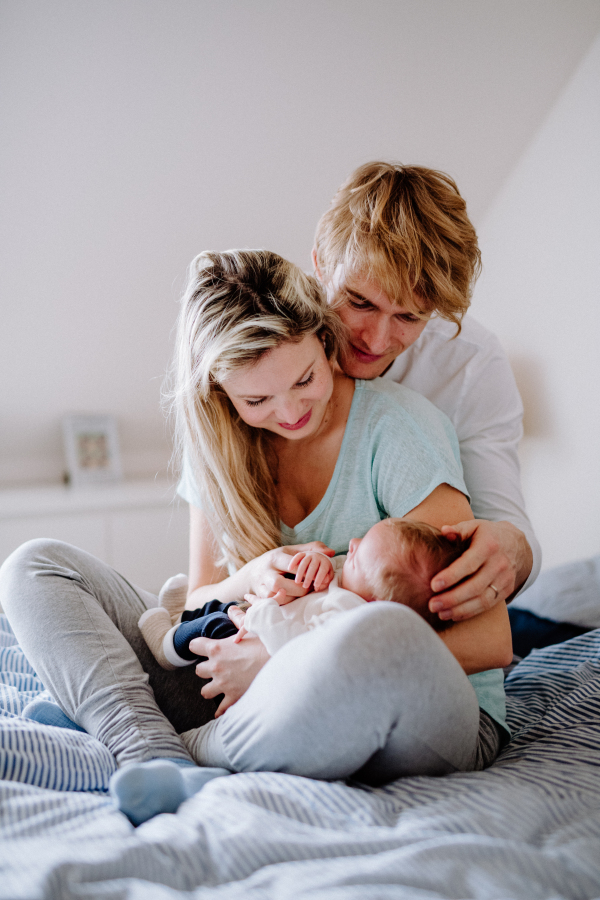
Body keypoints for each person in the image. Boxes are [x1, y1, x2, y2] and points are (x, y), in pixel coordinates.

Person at [0, 249, 512, 826]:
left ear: (324, 341)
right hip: (245, 683)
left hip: (412, 701)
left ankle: (172, 744)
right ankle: (149, 745)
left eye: (305, 379)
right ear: (221, 394)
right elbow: (199, 603)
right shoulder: (220, 450)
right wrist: (249, 576)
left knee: (382, 636)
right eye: (257, 400)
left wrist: (283, 661)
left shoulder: (398, 429)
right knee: (33, 566)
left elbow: (491, 637)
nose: (291, 411)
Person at [187, 163, 541, 723]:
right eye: (359, 303)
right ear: (321, 265)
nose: (377, 340)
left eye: (410, 317)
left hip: (416, 620)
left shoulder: (463, 373)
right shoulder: (259, 363)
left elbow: (503, 547)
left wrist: (507, 549)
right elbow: (200, 592)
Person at [139, 520, 468, 669]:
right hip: (253, 616)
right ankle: (176, 615)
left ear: (374, 605)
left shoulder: (346, 615)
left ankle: (163, 644)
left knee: (216, 623)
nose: (350, 545)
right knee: (217, 607)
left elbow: (294, 650)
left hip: (253, 640)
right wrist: (317, 563)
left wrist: (263, 610)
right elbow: (334, 568)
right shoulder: (351, 585)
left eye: (356, 555)